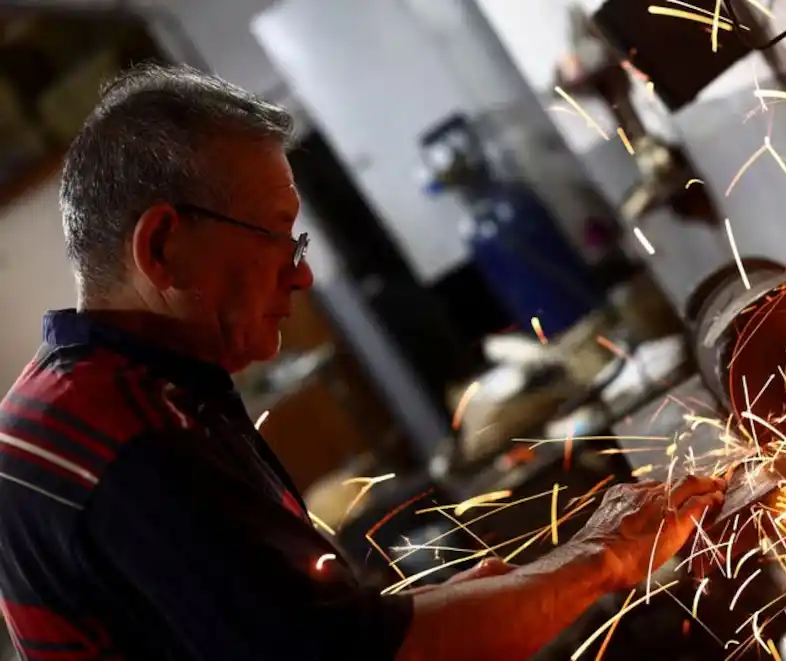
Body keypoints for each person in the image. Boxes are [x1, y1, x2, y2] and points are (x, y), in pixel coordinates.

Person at [0, 64, 726, 661]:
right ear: (162, 246)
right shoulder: (133, 443)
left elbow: (291, 629)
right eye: (278, 235)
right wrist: (602, 557)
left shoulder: (77, 399)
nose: (302, 275)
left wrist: (454, 609)